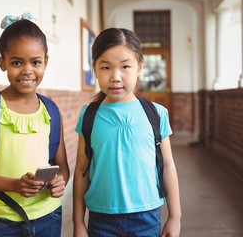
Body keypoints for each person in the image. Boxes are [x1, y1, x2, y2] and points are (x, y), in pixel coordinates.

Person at [0, 13, 69, 237]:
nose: (27, 70)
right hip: (3, 220)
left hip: (49, 216)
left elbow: (62, 165)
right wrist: (14, 185)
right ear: (2, 63)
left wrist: (59, 182)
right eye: (17, 62)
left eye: (35, 62)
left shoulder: (51, 111)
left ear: (45, 62)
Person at [73, 28, 181, 237]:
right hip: (101, 219)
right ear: (95, 69)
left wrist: (175, 216)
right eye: (105, 67)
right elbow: (81, 171)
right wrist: (78, 222)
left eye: (125, 66)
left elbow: (167, 165)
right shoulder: (89, 116)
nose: (115, 77)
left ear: (140, 67)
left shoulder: (156, 114)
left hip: (147, 218)